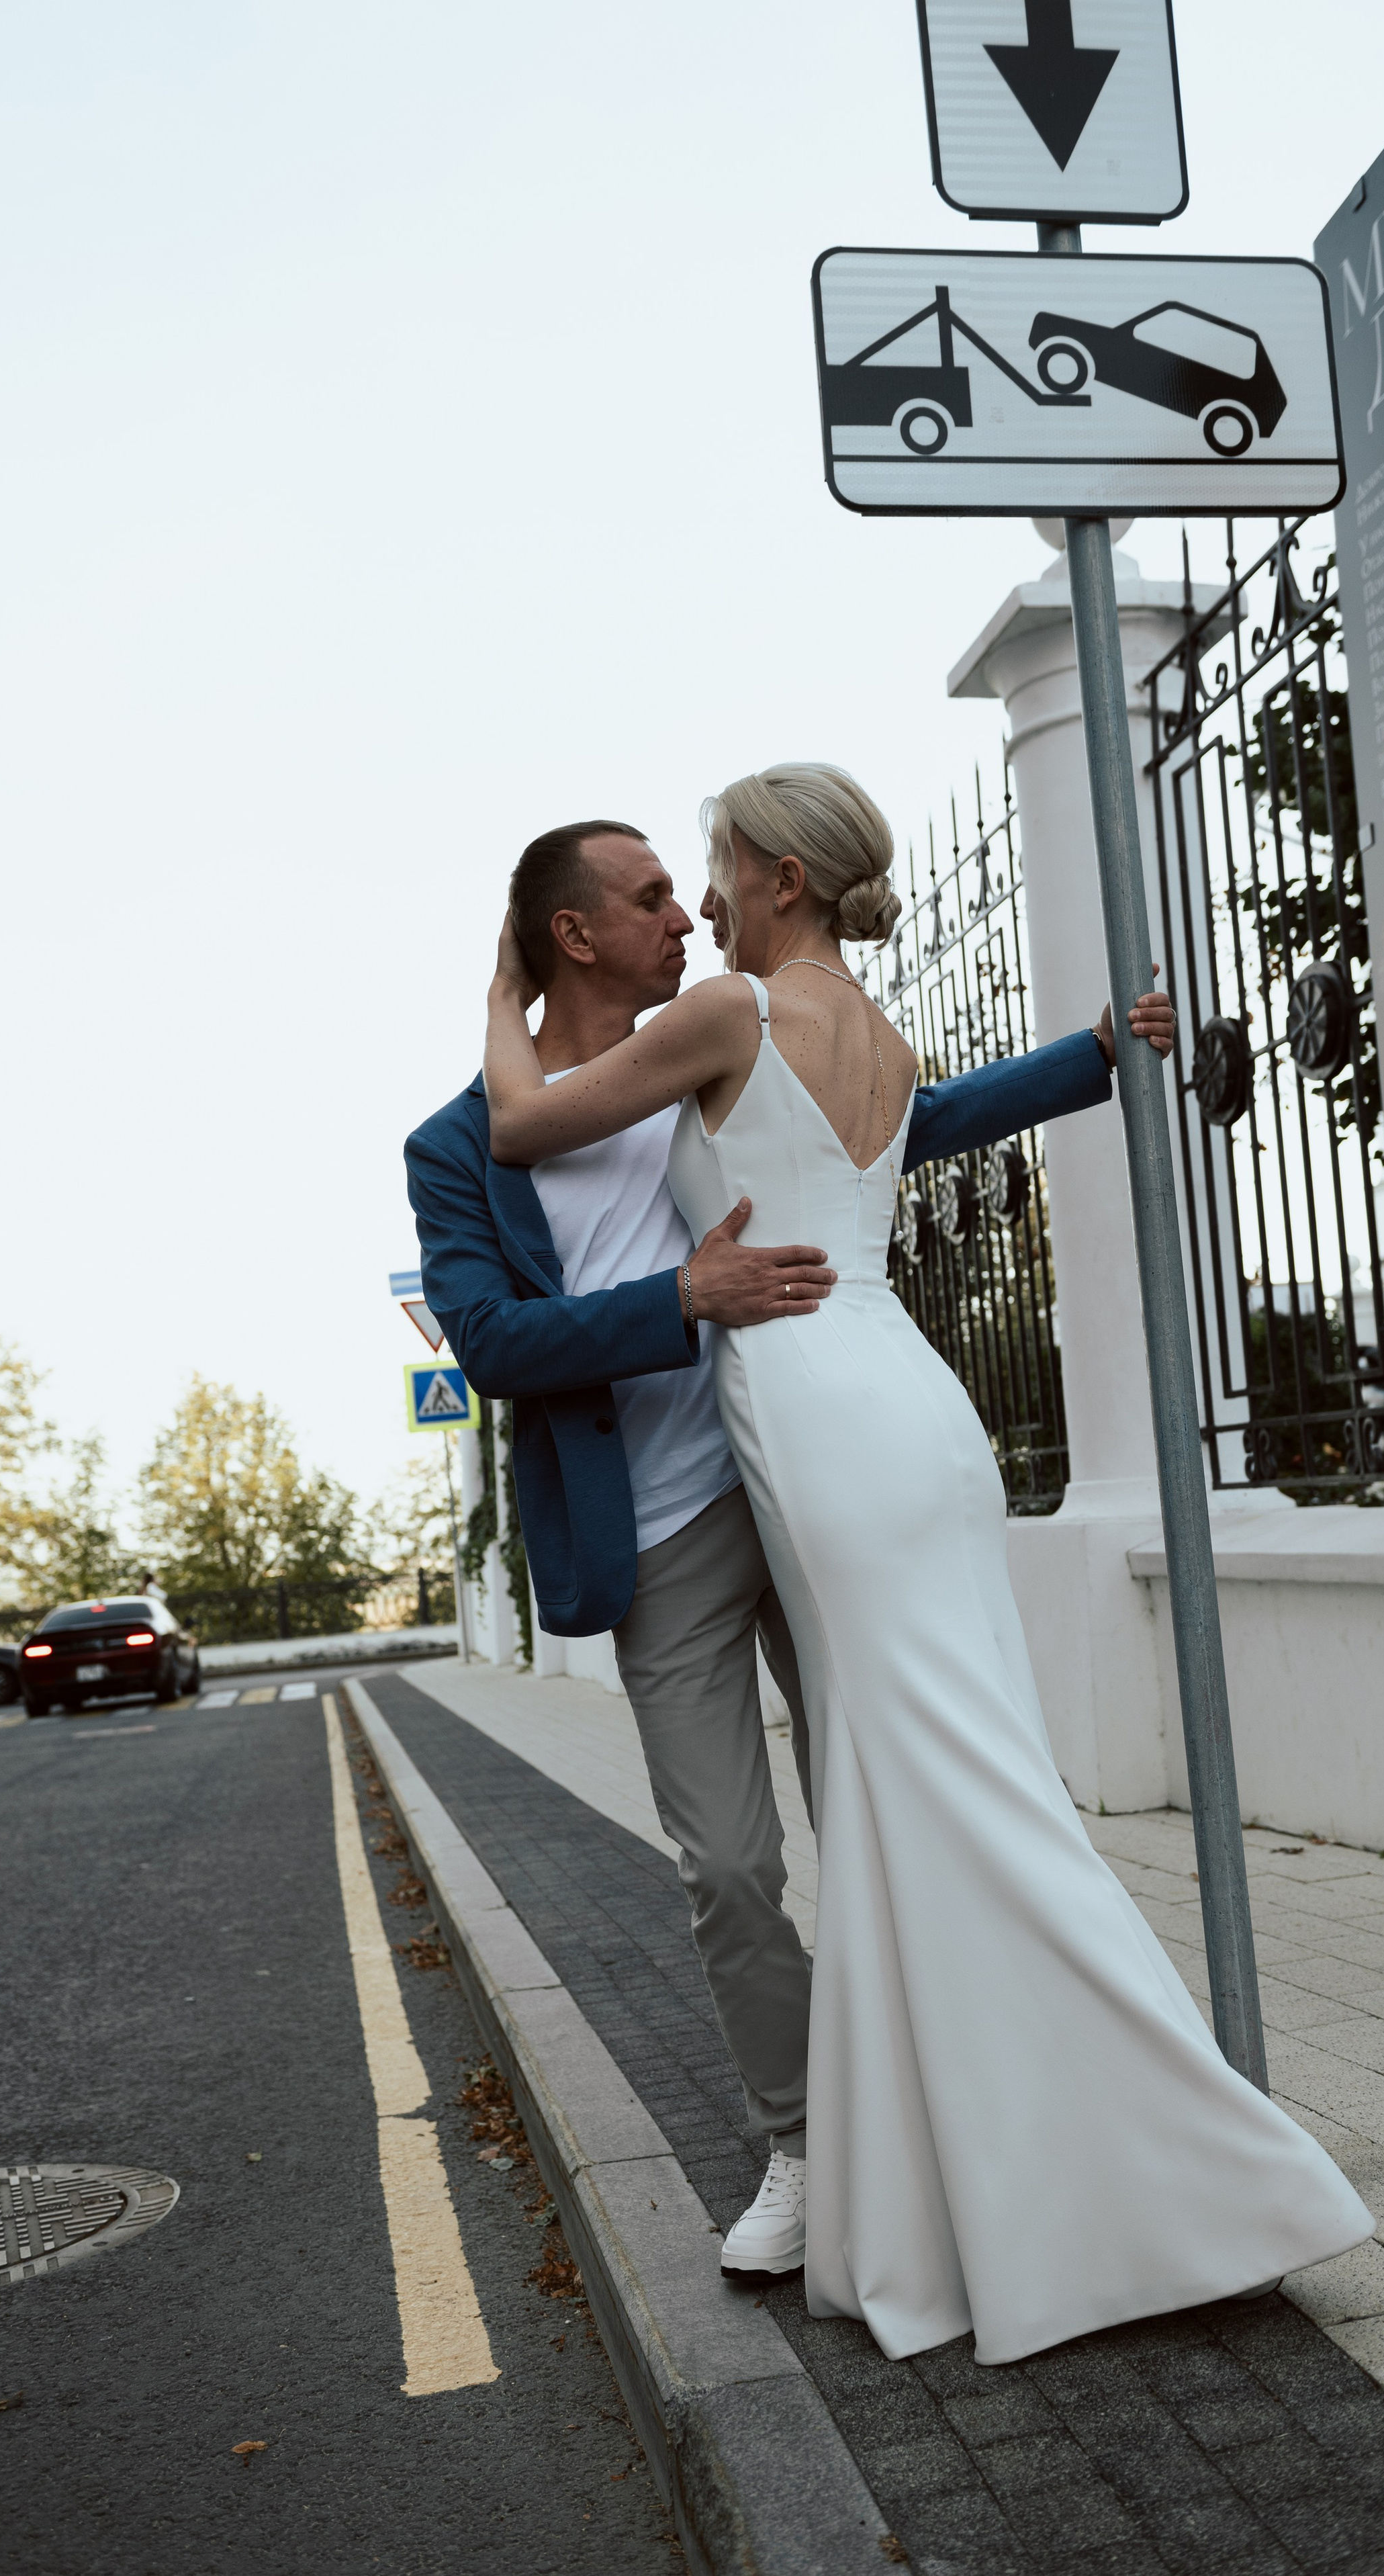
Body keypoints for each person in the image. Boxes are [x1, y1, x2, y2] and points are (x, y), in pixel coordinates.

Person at [480, 765, 1372, 2365]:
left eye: (716, 864)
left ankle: (1184, 2173)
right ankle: (967, 2181)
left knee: (940, 1799)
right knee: (942, 1795)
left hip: (823, 1430)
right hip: (914, 1416)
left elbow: (523, 1115)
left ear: (781, 878)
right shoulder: (876, 1032)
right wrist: (1095, 1053)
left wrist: (497, 988)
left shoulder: (731, 1012)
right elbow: (924, 1128)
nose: (701, 892)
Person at [408, 811, 1168, 2278]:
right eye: (644, 902)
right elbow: (491, 1339)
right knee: (730, 1864)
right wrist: (679, 1299)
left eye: (684, 893)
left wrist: (1086, 1056)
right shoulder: (454, 1145)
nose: (683, 918)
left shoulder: (710, 1038)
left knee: (884, 1806)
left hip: (813, 1483)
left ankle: (963, 2124)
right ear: (572, 935)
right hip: (662, 1529)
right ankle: (809, 2149)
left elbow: (889, 1122)